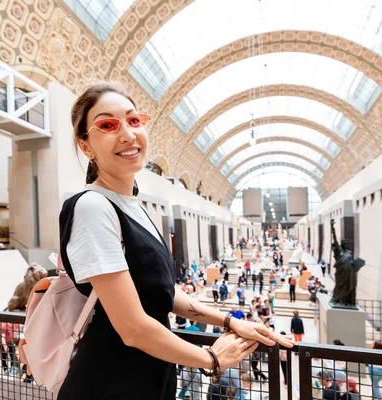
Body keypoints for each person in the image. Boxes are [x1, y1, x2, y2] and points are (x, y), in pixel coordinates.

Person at [56, 82, 293, 399]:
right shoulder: (92, 207)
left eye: (133, 120)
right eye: (108, 125)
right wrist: (211, 359)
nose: (127, 134)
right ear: (87, 146)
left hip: (151, 378)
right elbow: (133, 327)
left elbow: (161, 291)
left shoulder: (133, 207)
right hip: (111, 384)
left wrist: (229, 320)